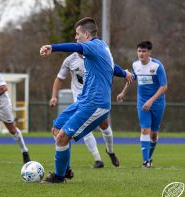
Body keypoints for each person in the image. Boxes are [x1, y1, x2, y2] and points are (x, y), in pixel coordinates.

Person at [40, 17, 120, 183]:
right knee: (56, 129)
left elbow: (76, 46)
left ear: (86, 34)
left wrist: (52, 47)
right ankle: (66, 169)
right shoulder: (102, 47)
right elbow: (111, 67)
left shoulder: (92, 46)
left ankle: (59, 176)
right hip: (84, 101)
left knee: (62, 137)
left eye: (77, 34)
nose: (75, 37)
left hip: (95, 104)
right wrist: (125, 73)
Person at [50, 51, 133, 170]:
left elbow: (110, 67)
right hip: (79, 100)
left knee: (104, 124)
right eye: (77, 37)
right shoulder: (69, 60)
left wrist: (124, 73)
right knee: (66, 128)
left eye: (79, 36)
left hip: (95, 98)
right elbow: (59, 78)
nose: (78, 39)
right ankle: (97, 159)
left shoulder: (94, 56)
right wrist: (54, 96)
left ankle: (110, 151)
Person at [117, 41, 167, 168]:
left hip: (157, 103)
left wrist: (151, 100)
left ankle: (149, 157)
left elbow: (164, 86)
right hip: (142, 102)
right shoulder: (135, 65)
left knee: (153, 134)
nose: (141, 53)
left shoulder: (157, 66)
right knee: (145, 129)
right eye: (139, 51)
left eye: (144, 51)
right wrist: (123, 92)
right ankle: (146, 161)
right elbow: (131, 79)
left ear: (149, 52)